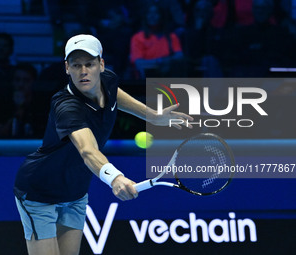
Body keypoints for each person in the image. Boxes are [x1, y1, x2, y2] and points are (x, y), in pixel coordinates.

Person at [14, 34, 193, 255]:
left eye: (89, 64)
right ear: (67, 68)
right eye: (76, 65)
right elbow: (87, 150)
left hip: (75, 193)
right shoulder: (67, 106)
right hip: (39, 192)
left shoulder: (107, 79)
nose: (83, 71)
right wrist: (115, 177)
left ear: (101, 64)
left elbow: (114, 94)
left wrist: (151, 116)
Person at [130, 3, 184, 79]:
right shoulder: (137, 37)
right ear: (145, 16)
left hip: (168, 77)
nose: (152, 16)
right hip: (146, 79)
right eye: (149, 13)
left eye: (156, 13)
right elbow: (138, 63)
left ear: (162, 16)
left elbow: (179, 56)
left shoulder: (172, 36)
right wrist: (160, 61)